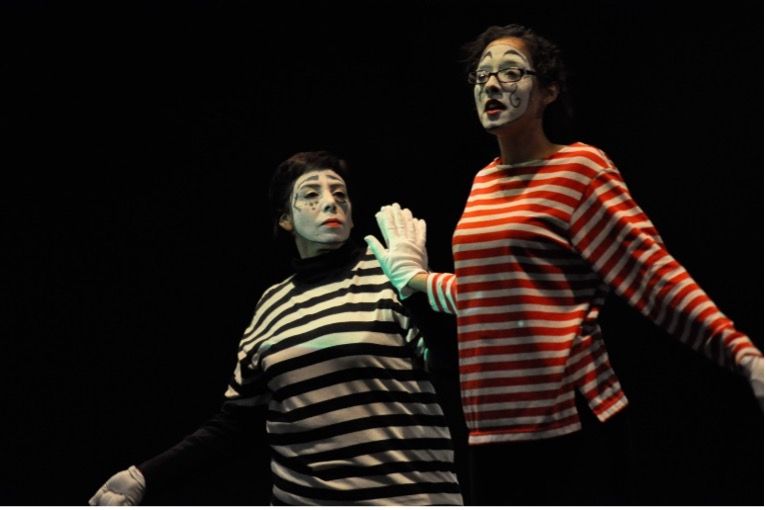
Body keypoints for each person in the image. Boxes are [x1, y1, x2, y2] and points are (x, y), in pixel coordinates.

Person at [364, 24, 764, 505]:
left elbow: (652, 273)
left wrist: (741, 354)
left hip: (569, 423)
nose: (492, 85)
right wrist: (418, 279)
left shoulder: (578, 170)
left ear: (549, 90)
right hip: (491, 430)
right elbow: (488, 292)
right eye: (482, 75)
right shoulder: (483, 182)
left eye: (511, 72)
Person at [89, 151, 464, 505]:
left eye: (340, 194)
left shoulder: (390, 276)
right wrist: (145, 476)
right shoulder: (272, 306)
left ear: (352, 215)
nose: (330, 203)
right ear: (285, 219)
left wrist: (415, 287)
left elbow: (451, 366)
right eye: (311, 195)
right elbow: (237, 424)